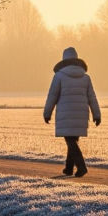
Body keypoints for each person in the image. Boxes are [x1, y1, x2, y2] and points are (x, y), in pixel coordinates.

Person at [43, 46, 100, 177]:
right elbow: (92, 97)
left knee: (70, 141)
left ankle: (81, 167)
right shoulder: (86, 78)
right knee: (72, 140)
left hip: (65, 114)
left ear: (64, 60)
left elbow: (52, 96)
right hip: (81, 115)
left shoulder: (59, 76)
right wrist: (97, 115)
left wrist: (47, 113)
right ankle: (68, 168)